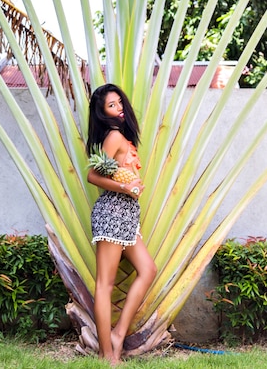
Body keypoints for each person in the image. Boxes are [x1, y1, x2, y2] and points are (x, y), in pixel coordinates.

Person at [86, 83, 157, 365]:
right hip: (113, 212)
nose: (118, 109)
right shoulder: (114, 136)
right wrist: (125, 189)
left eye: (119, 103)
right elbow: (93, 176)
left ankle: (118, 335)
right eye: (111, 106)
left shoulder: (124, 138)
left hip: (127, 215)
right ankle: (107, 355)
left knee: (148, 270)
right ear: (103, 114)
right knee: (105, 284)